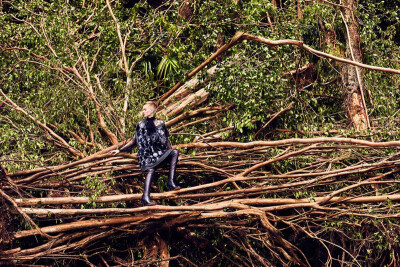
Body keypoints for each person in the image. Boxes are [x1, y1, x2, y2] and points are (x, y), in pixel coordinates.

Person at [110, 101, 180, 206]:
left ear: (152, 110)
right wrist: (119, 150)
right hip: (146, 156)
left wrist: (169, 154)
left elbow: (166, 141)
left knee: (174, 152)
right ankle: (145, 197)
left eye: (145, 109)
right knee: (150, 168)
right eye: (143, 109)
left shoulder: (161, 124)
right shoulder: (140, 125)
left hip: (158, 154)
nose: (143, 111)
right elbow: (133, 141)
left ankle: (170, 183)